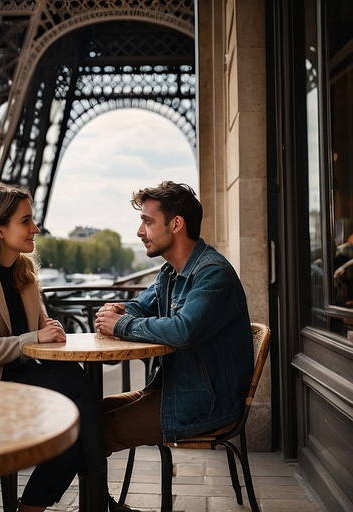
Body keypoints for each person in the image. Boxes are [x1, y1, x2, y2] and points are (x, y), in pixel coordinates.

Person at [0, 182, 107, 512]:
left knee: (76, 413)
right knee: (75, 391)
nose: (35, 228)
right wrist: (36, 337)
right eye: (26, 221)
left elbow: (37, 330)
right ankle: (97, 498)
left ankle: (54, 505)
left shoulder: (23, 273)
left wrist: (47, 328)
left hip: (14, 384)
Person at [95, 181, 254, 509]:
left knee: (89, 430)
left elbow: (183, 331)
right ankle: (101, 505)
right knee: (85, 415)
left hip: (205, 403)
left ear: (176, 224)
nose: (140, 231)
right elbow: (141, 306)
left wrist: (120, 323)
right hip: (176, 391)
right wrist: (121, 312)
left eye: (148, 221)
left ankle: (92, 506)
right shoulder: (171, 272)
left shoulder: (213, 275)